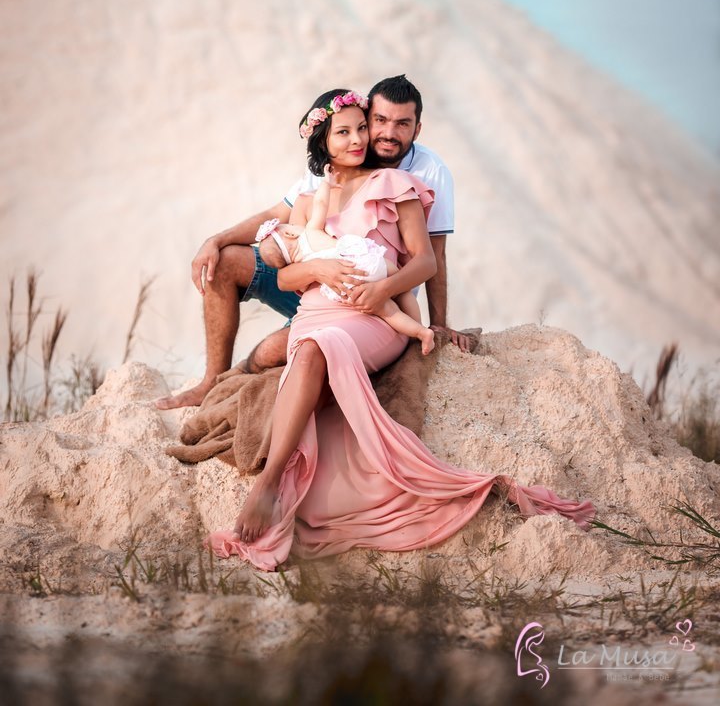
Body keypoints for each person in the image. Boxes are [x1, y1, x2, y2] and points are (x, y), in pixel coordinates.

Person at [206, 89, 594, 569]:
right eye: (344, 131)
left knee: (313, 351)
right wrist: (316, 272)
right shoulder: (309, 201)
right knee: (304, 347)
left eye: (360, 129)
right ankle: (284, 470)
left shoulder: (396, 183)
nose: (358, 139)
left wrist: (391, 296)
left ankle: (270, 484)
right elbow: (285, 275)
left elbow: (428, 260)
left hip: (373, 314)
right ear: (323, 143)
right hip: (316, 307)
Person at [155, 75, 470, 411]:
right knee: (225, 260)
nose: (386, 133)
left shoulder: (426, 172)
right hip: (311, 279)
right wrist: (215, 240)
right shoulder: (339, 159)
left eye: (402, 124)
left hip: (366, 296)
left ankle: (252, 372)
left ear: (417, 129)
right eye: (377, 121)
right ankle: (210, 383)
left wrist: (439, 323)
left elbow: (433, 255)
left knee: (272, 352)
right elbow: (280, 211)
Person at [256, 164, 436, 355]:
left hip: (350, 287)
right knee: (402, 291)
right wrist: (327, 183)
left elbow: (289, 280)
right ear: (290, 234)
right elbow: (320, 205)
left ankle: (420, 333)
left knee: (388, 311)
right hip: (367, 262)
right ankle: (419, 328)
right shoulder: (310, 232)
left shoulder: (300, 262)